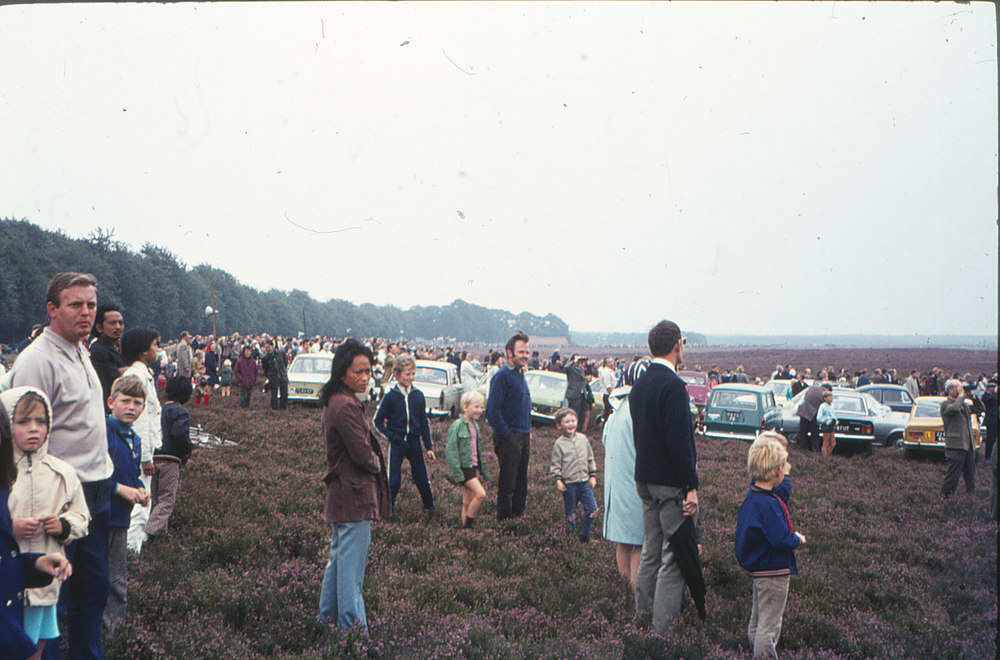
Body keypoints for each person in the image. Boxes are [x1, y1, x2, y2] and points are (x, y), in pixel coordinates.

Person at [8, 272, 114, 660]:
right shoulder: (37, 360)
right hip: (58, 499)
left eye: (91, 305)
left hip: (96, 490)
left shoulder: (81, 349)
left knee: (93, 589)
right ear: (52, 309)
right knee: (49, 595)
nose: (86, 312)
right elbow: (19, 435)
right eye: (76, 304)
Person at [3, 387, 89, 660]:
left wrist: (64, 526)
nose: (33, 428)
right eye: (22, 421)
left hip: (45, 586)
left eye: (41, 421)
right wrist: (9, 527)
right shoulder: (4, 473)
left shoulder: (63, 473)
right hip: (7, 587)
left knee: (35, 650)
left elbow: (82, 516)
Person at [630, 320, 699, 635]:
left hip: (644, 480)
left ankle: (642, 620)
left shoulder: (640, 384)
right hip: (670, 485)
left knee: (651, 551)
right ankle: (661, 635)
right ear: (677, 345)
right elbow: (679, 443)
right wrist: (691, 486)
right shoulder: (673, 386)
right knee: (673, 559)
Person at [316, 339, 390, 632]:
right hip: (354, 496)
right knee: (351, 575)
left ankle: (327, 622)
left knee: (338, 564)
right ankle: (354, 635)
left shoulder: (337, 400)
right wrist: (378, 463)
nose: (364, 377)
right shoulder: (345, 405)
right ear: (342, 372)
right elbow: (362, 455)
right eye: (357, 371)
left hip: (343, 496)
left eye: (368, 371)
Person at [734, 434, 805, 659]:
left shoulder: (755, 496)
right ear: (777, 472)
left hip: (759, 571)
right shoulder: (768, 505)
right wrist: (797, 539)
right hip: (773, 572)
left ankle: (754, 652)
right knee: (769, 627)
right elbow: (780, 540)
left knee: (757, 621)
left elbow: (779, 494)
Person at [102, 375, 149, 635]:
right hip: (99, 518)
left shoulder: (135, 439)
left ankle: (116, 635)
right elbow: (91, 477)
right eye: (126, 401)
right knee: (95, 578)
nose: (131, 407)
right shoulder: (103, 432)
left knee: (118, 580)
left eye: (138, 403)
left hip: (121, 520)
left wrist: (139, 488)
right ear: (111, 402)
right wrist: (119, 489)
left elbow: (131, 474)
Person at [601, 363, 647, 590]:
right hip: (635, 486)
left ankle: (623, 591)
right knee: (640, 543)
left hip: (616, 486)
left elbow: (605, 441)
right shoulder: (640, 409)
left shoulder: (616, 410)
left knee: (623, 542)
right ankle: (635, 593)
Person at [373, 355, 436, 514]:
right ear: (396, 374)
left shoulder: (418, 395)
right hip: (397, 443)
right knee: (393, 482)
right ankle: (386, 515)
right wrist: (392, 437)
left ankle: (431, 511)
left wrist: (428, 447)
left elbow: (424, 422)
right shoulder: (390, 397)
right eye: (407, 374)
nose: (411, 377)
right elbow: (377, 421)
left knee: (422, 480)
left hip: (414, 442)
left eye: (413, 373)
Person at [119, 327, 162, 554]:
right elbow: (139, 421)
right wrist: (145, 457)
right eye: (155, 345)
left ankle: (133, 550)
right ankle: (131, 553)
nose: (158, 350)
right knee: (140, 503)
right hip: (136, 453)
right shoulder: (135, 377)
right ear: (144, 350)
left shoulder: (144, 374)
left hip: (142, 450)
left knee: (143, 502)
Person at [485, 331, 532, 522]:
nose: (525, 356)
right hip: (509, 437)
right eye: (521, 352)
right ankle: (504, 523)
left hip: (523, 434)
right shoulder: (502, 376)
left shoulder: (520, 374)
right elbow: (492, 411)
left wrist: (527, 431)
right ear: (509, 353)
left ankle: (517, 519)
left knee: (521, 481)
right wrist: (507, 435)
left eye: (527, 352)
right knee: (508, 483)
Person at [146, 377, 194, 540]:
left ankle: (160, 536)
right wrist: (188, 449)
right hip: (170, 460)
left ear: (166, 392)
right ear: (187, 396)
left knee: (155, 498)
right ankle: (149, 531)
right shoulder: (181, 412)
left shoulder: (157, 411)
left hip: (153, 458)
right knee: (167, 499)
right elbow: (179, 434)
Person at [550, 408, 598, 543]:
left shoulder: (583, 439)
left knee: (593, 509)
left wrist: (592, 475)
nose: (571, 424)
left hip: (584, 482)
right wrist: (558, 480)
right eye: (566, 422)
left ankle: (585, 536)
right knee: (570, 514)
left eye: (573, 420)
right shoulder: (559, 444)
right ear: (559, 425)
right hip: (569, 484)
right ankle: (570, 540)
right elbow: (556, 464)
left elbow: (590, 458)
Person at [445, 390, 490, 529]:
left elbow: (478, 451)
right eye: (476, 406)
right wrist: (457, 473)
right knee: (481, 494)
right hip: (464, 469)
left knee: (467, 502)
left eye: (481, 407)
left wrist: (484, 471)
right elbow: (451, 451)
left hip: (473, 467)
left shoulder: (475, 426)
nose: (479, 410)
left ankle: (464, 532)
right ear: (465, 407)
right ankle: (468, 525)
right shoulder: (457, 425)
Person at [940, 379, 982, 498]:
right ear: (950, 390)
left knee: (970, 476)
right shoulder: (945, 405)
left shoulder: (963, 405)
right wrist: (962, 396)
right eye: (958, 388)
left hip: (968, 445)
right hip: (955, 446)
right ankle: (945, 498)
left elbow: (980, 408)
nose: (961, 390)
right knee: (952, 476)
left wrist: (972, 396)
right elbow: (954, 409)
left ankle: (970, 498)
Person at [88, 304, 125, 412]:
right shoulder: (98, 350)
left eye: (120, 323)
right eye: (113, 323)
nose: (118, 327)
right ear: (99, 328)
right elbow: (116, 379)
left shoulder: (116, 348)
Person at [796, 383, 828, 453]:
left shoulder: (811, 388)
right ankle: (815, 451)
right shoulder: (824, 393)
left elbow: (805, 397)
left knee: (803, 432)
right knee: (815, 434)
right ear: (827, 388)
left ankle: (803, 450)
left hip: (804, 411)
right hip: (814, 414)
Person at [261, 340, 289, 410]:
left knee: (284, 394)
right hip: (273, 378)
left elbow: (285, 362)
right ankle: (274, 409)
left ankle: (283, 408)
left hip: (282, 376)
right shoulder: (265, 358)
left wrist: (282, 371)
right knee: (274, 395)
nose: (268, 349)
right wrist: (269, 376)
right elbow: (265, 369)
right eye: (266, 348)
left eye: (269, 347)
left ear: (272, 346)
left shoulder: (281, 353)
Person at [816, 390, 838, 457]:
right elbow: (818, 418)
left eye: (831, 397)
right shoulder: (822, 406)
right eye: (829, 397)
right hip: (826, 426)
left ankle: (828, 455)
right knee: (826, 442)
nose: (831, 398)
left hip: (831, 425)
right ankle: (824, 457)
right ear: (825, 398)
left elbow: (833, 415)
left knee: (833, 443)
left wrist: (836, 420)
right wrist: (824, 421)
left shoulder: (832, 406)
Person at [981, 378, 997, 461]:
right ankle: (988, 455)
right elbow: (990, 400)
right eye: (992, 387)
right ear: (988, 388)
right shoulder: (986, 396)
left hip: (995, 420)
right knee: (990, 439)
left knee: (994, 439)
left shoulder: (994, 395)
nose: (993, 389)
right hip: (990, 421)